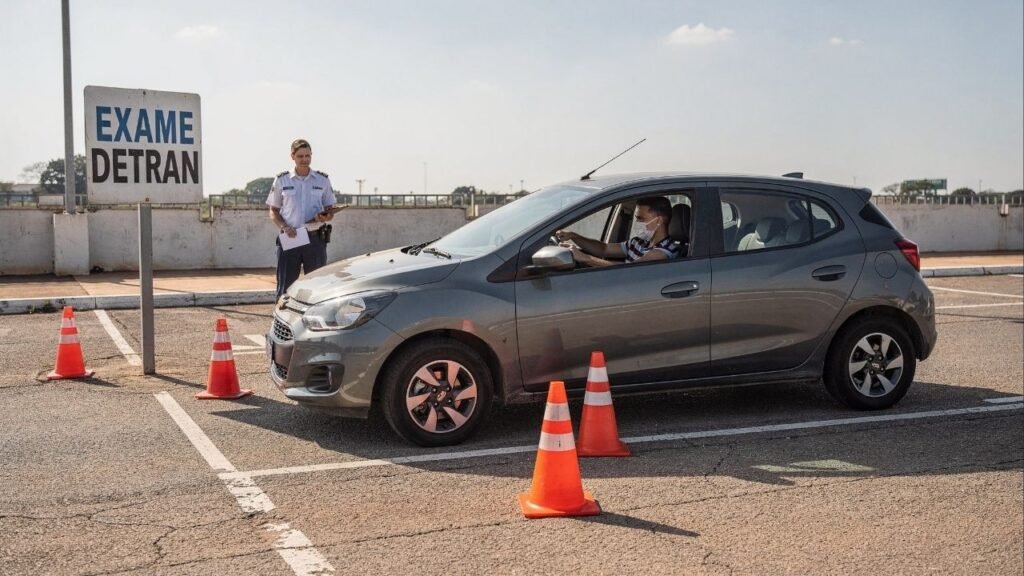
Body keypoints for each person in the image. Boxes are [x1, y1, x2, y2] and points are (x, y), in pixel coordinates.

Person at [267, 138, 337, 299]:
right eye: (300, 156)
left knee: (317, 288)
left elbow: (330, 209)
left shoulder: (322, 180)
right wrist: (284, 227)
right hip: (291, 238)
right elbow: (273, 210)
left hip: (315, 240)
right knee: (286, 288)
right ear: (292, 156)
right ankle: (282, 314)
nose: (304, 160)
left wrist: (326, 216)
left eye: (307, 156)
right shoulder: (282, 179)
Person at [555, 196, 680, 266]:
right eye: (636, 218)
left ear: (659, 221)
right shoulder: (639, 242)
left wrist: (585, 258)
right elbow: (604, 249)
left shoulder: (665, 251)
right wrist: (574, 236)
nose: (637, 222)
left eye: (641, 218)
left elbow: (629, 270)